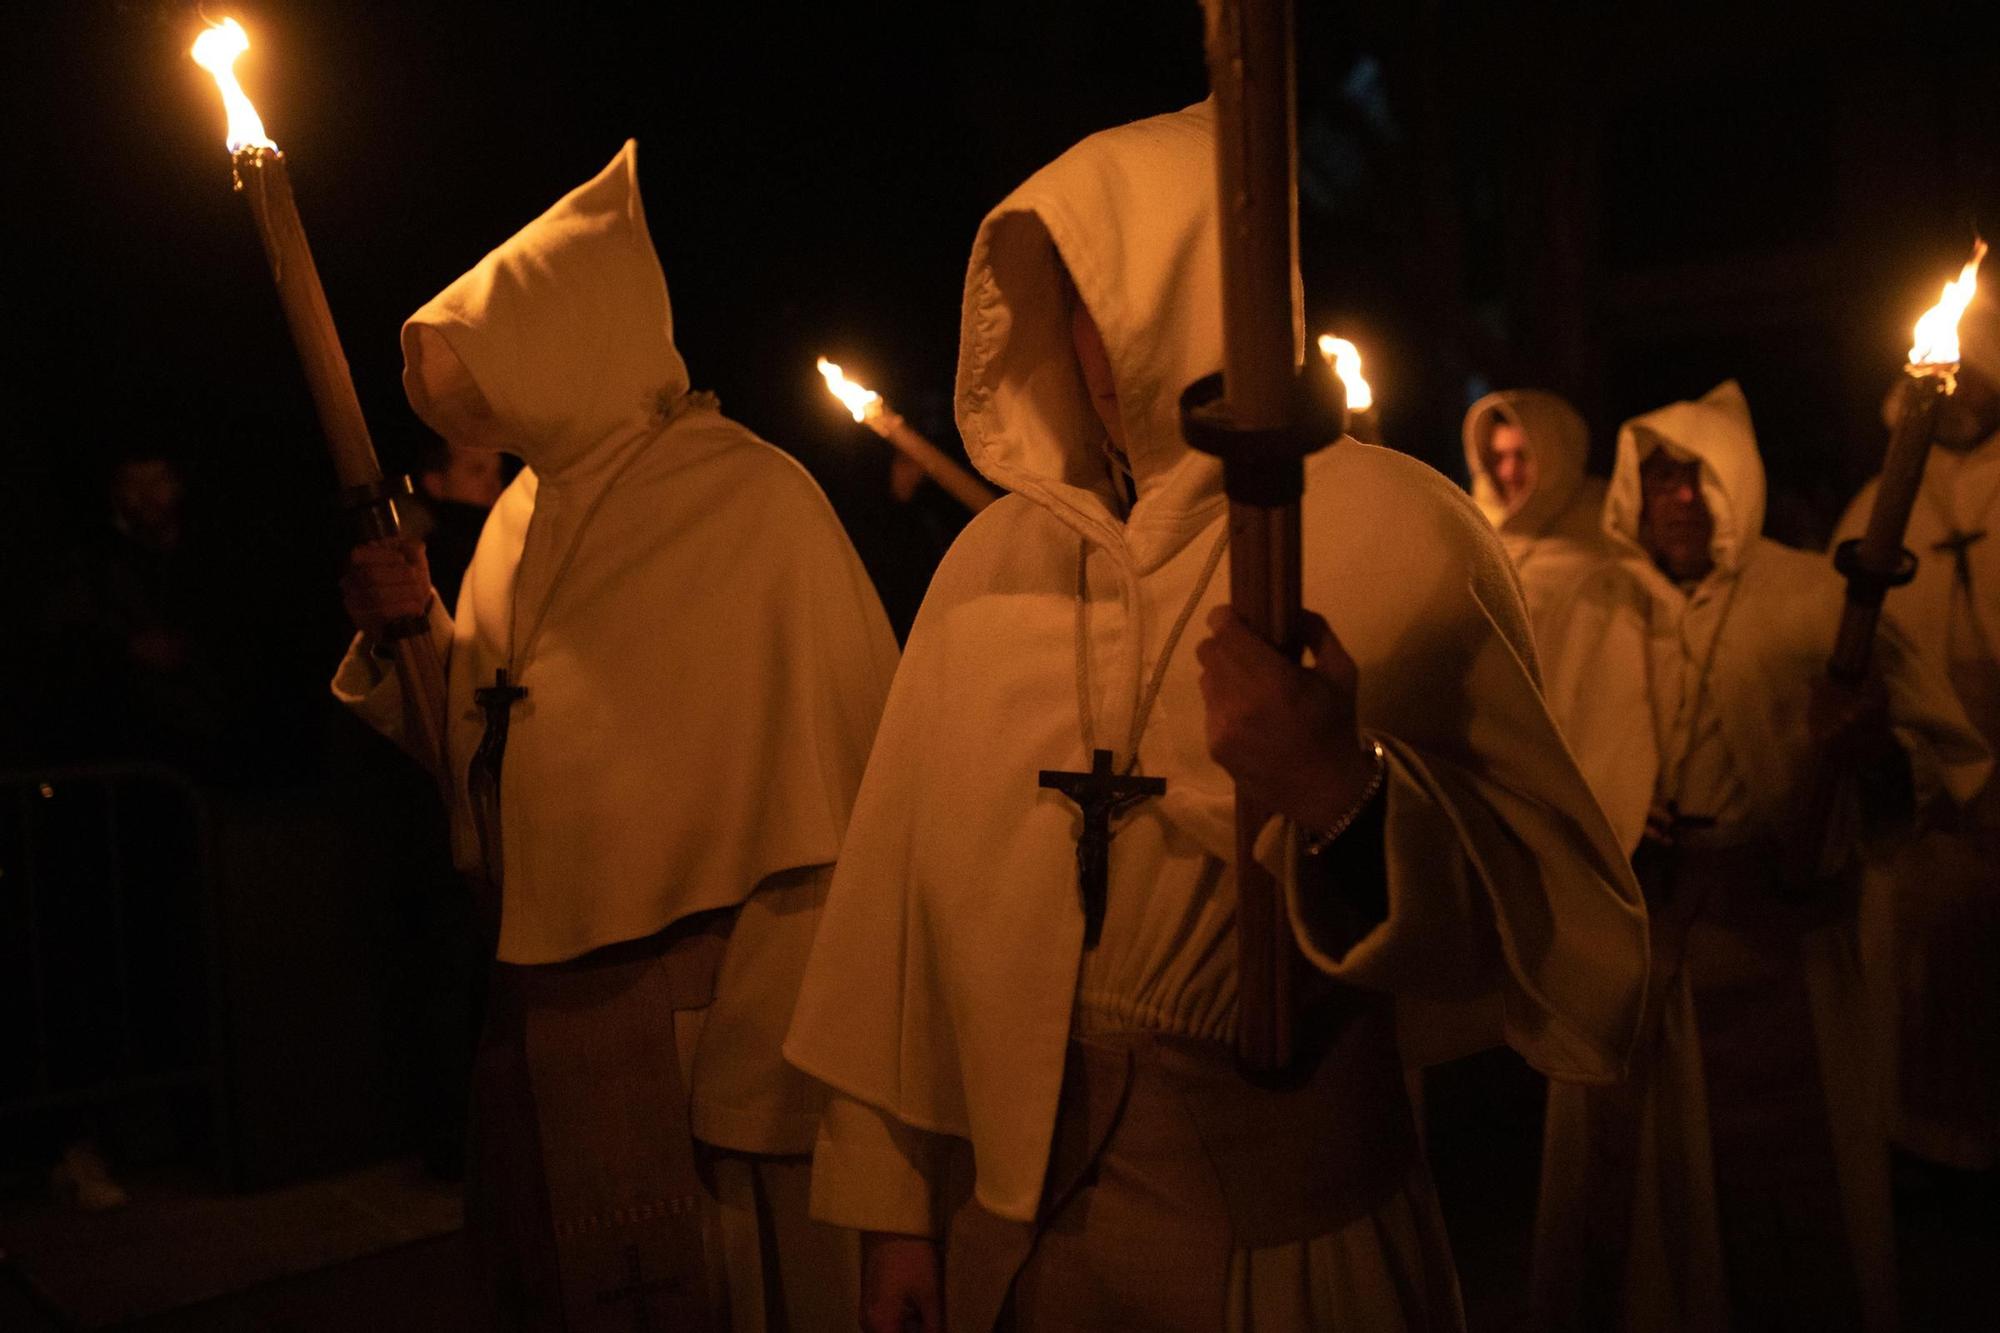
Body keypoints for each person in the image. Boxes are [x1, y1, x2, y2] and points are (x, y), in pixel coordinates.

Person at [784, 102, 1649, 1332]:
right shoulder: (987, 567)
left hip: (1288, 1252)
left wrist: (1340, 800)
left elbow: (1552, 928)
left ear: (1183, 291)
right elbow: (898, 926)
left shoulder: (1398, 531)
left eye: (1108, 294)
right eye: (1064, 303)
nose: (1084, 341)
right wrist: (891, 1211)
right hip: (1015, 1241)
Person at [333, 141, 899, 1330]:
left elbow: (835, 799)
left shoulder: (751, 498)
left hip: (721, 999)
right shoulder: (523, 516)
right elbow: (484, 753)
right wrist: (411, 634)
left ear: (573, 336)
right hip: (543, 1006)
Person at [1530, 380, 1990, 1331]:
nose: (1680, 499)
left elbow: (1927, 772)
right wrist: (1610, 818)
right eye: (1659, 481)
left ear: (1736, 488)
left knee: (1782, 1197)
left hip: (1774, 946)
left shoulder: (1808, 597)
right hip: (1638, 944)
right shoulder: (1591, 607)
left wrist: (1868, 756)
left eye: (1699, 480)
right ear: (1630, 494)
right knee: (1648, 1202)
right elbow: (1544, 769)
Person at [1834, 324, 2000, 1174]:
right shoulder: (1879, 503)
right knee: (1928, 982)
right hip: (1926, 791)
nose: (1962, 390)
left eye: (1977, 374)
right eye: (1951, 377)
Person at [1461, 389, 1610, 636]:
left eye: (1522, 456)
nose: (1508, 472)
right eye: (1498, 457)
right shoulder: (1472, 529)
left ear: (1554, 456)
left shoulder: (1600, 535)